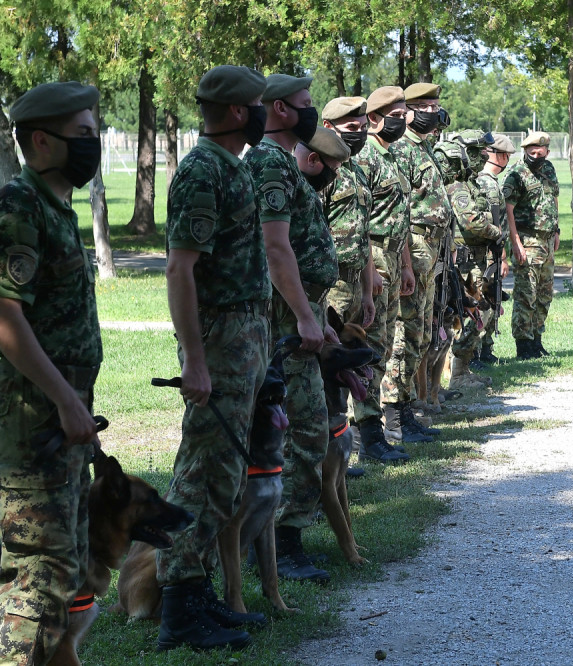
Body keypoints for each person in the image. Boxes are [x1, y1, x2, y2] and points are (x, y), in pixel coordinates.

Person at [0, 80, 103, 665]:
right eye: (83, 135)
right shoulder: (19, 208)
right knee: (36, 582)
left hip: (56, 417)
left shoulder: (54, 208)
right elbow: (1, 320)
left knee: (60, 570)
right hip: (31, 420)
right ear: (42, 141)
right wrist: (66, 400)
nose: (93, 144)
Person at [156, 65, 271, 651]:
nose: (265, 112)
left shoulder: (233, 167)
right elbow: (181, 268)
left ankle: (197, 596)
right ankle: (177, 609)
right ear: (233, 112)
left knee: (225, 477)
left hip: (243, 339)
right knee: (201, 476)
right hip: (219, 341)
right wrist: (195, 361)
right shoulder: (203, 171)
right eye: (257, 104)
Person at [244, 73, 340, 584]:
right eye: (306, 105)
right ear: (279, 109)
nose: (312, 114)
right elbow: (274, 248)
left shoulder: (282, 162)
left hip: (298, 315)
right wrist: (305, 317)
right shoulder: (270, 164)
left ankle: (286, 541)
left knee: (308, 429)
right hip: (284, 323)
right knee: (304, 430)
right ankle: (283, 543)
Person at [385, 81, 454, 443]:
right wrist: (408, 260)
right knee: (404, 332)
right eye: (425, 106)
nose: (433, 112)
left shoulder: (425, 148)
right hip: (412, 248)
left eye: (435, 106)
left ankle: (409, 409)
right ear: (408, 111)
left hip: (432, 249)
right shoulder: (401, 150)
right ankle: (393, 415)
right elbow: (401, 210)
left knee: (422, 334)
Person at [352, 86, 415, 462]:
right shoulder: (368, 159)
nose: (403, 119)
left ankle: (375, 428)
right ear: (374, 118)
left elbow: (401, 217)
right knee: (370, 348)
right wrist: (372, 268)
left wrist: (405, 263)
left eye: (403, 112)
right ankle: (366, 434)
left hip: (393, 255)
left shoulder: (390, 158)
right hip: (373, 257)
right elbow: (360, 223)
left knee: (386, 344)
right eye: (396, 114)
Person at [447, 129, 504, 388]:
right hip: (466, 264)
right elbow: (470, 221)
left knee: (482, 315)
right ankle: (457, 374)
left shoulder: (472, 183)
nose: (484, 155)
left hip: (479, 261)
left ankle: (463, 368)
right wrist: (495, 231)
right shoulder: (458, 186)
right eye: (479, 151)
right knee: (470, 315)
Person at [321, 96, 377, 331]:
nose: (360, 134)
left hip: (354, 284)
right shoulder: (322, 172)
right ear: (328, 128)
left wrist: (367, 292)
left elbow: (363, 235)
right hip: (330, 286)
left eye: (364, 128)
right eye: (352, 128)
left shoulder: (357, 172)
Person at [503, 131, 559, 360]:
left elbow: (554, 198)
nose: (536, 156)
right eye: (532, 152)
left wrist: (556, 230)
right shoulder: (517, 174)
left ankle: (537, 340)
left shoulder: (548, 169)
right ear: (525, 151)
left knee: (544, 294)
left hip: (547, 239)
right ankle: (523, 344)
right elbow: (508, 209)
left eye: (540, 152)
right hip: (527, 239)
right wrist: (515, 243)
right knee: (527, 294)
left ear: (547, 151)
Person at [473, 133, 516, 365]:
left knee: (491, 301)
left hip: (490, 255)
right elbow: (495, 226)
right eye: (506, 156)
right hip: (488, 256)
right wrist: (502, 257)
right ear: (499, 156)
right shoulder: (488, 183)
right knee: (485, 301)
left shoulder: (487, 181)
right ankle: (477, 351)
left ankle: (484, 349)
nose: (507, 160)